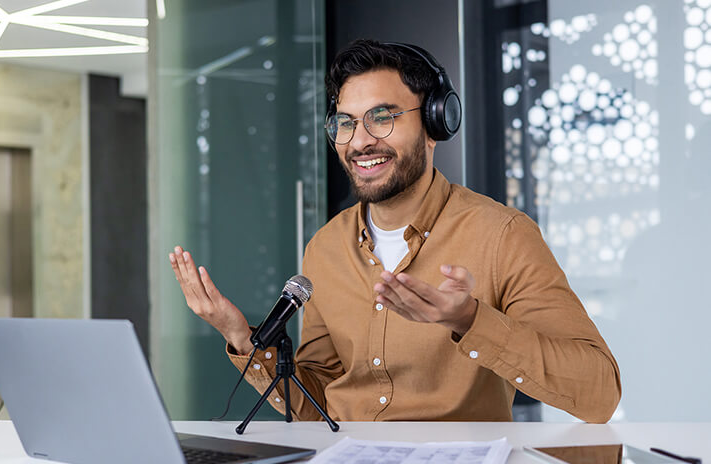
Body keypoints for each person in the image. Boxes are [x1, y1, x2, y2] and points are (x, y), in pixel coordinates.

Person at [169, 39, 621, 423]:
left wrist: (470, 320)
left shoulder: (503, 235)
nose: (361, 140)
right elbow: (317, 404)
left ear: (434, 124)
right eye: (345, 123)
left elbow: (600, 395)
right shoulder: (325, 248)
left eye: (382, 117)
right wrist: (241, 338)